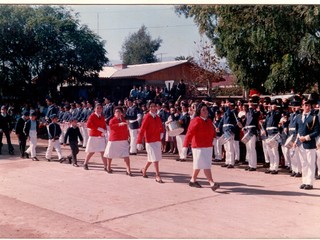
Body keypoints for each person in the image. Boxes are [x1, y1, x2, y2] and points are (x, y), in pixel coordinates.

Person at [183, 102, 220, 191]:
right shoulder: (195, 120)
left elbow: (212, 132)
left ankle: (192, 180)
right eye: (203, 110)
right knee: (205, 165)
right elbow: (189, 134)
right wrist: (185, 146)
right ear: (199, 111)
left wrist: (214, 138)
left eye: (206, 109)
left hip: (208, 146)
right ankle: (212, 183)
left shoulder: (209, 121)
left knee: (199, 165)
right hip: (198, 146)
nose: (205, 111)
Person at [294, 99, 319, 190]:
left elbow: (316, 132)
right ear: (302, 106)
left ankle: (310, 182)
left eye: (309, 105)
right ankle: (304, 181)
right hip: (301, 143)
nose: (307, 107)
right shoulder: (298, 117)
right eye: (305, 105)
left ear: (311, 107)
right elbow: (297, 130)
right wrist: (297, 140)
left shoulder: (314, 117)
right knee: (304, 163)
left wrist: (306, 137)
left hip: (309, 143)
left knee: (310, 163)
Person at [137, 101, 165, 183]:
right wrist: (139, 141)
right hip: (150, 141)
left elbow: (160, 126)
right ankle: (157, 175)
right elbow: (142, 129)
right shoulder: (147, 117)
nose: (153, 108)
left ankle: (144, 170)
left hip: (157, 140)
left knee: (152, 158)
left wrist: (162, 132)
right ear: (149, 108)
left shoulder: (157, 117)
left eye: (154, 106)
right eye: (151, 106)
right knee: (155, 158)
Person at [104, 106, 132, 175]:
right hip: (114, 139)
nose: (118, 113)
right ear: (114, 113)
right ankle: (108, 167)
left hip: (123, 139)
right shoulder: (112, 120)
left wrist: (128, 136)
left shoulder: (124, 120)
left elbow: (126, 129)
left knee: (126, 154)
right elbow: (111, 126)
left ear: (122, 113)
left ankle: (128, 169)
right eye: (116, 112)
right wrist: (119, 124)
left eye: (119, 112)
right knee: (110, 154)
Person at [83, 103, 108, 171]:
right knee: (91, 151)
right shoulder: (92, 116)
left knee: (103, 151)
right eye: (97, 108)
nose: (99, 109)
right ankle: (85, 163)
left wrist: (104, 130)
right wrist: (98, 128)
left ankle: (106, 166)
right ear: (94, 109)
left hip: (101, 136)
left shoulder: (102, 116)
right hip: (94, 136)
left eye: (100, 108)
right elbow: (88, 125)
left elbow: (104, 125)